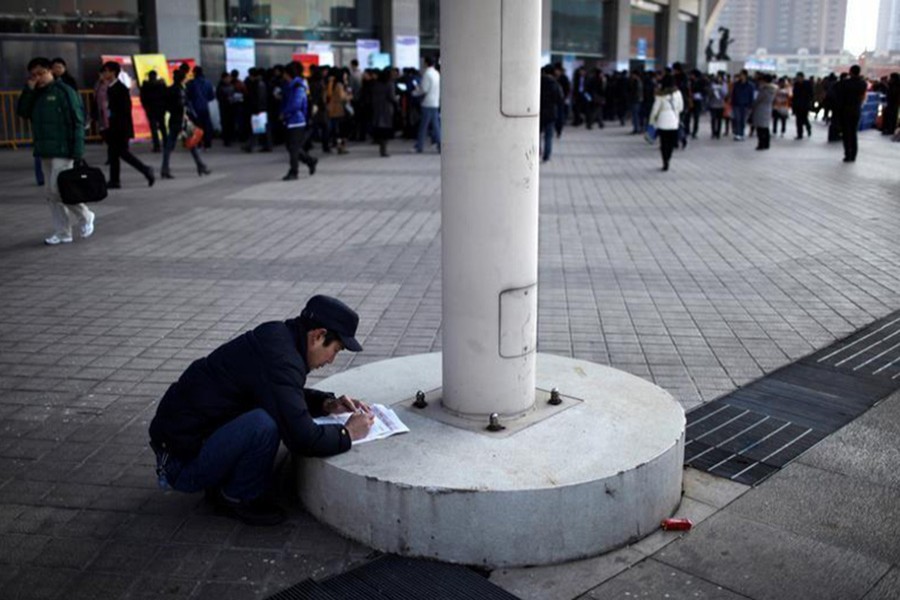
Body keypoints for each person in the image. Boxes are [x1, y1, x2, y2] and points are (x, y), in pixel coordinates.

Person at [148, 295, 374, 526]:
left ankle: (224, 481)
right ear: (318, 336)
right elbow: (303, 439)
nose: (331, 360)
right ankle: (237, 497)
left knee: (267, 415)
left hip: (184, 444)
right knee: (263, 424)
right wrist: (348, 433)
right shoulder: (282, 358)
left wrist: (326, 404)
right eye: (335, 350)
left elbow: (279, 393)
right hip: (180, 465)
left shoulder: (278, 337)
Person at [17, 57, 94, 246]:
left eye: (41, 73)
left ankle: (86, 215)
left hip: (63, 149)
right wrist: (29, 90)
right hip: (45, 149)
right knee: (50, 194)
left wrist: (77, 151)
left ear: (50, 71)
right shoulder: (36, 93)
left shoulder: (64, 91)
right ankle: (63, 233)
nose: (38, 78)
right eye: (33, 75)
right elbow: (23, 112)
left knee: (57, 190)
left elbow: (77, 121)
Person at [101, 61, 155, 189]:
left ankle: (146, 170)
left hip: (120, 128)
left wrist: (118, 127)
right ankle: (115, 180)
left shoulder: (120, 89)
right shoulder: (111, 88)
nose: (104, 74)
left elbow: (125, 110)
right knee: (114, 154)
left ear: (113, 72)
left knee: (122, 153)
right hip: (114, 127)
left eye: (106, 71)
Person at [160, 69, 210, 179]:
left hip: (173, 119)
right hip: (182, 120)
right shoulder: (181, 90)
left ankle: (165, 169)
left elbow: (166, 105)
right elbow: (182, 105)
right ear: (183, 79)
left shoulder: (169, 89)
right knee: (192, 144)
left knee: (169, 146)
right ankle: (200, 166)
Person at [280, 61, 317, 180]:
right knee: (291, 147)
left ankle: (294, 171)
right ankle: (310, 161)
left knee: (293, 148)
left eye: (284, 73)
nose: (283, 76)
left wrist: (284, 113)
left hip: (297, 120)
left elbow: (296, 105)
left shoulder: (298, 86)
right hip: (290, 120)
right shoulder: (290, 86)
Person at [648, 74, 684, 172]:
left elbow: (655, 109)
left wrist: (651, 121)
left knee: (663, 142)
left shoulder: (660, 95)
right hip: (673, 120)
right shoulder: (678, 93)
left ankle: (665, 161)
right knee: (671, 142)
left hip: (662, 121)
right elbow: (681, 107)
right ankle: (669, 157)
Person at [833, 65, 868, 162]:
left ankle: (847, 154)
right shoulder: (863, 83)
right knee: (853, 133)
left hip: (845, 110)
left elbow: (837, 92)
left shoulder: (845, 83)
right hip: (856, 110)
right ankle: (854, 154)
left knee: (846, 133)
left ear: (850, 72)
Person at [413, 56, 441, 153]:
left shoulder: (427, 74)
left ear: (425, 63)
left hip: (427, 103)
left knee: (423, 126)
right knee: (436, 126)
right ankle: (440, 145)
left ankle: (419, 146)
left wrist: (415, 91)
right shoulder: (437, 73)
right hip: (435, 102)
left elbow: (424, 89)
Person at [370, 67, 398, 157]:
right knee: (386, 130)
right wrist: (397, 99)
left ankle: (381, 147)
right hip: (386, 108)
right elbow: (392, 97)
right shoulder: (390, 84)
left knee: (379, 128)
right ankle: (384, 150)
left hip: (377, 108)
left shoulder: (376, 83)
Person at [186, 66, 215, 149]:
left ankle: (198, 143)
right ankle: (207, 143)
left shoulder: (191, 83)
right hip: (205, 107)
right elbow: (212, 97)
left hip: (194, 108)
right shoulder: (208, 83)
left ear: (194, 73)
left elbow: (187, 97)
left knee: (196, 126)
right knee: (206, 125)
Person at [140, 70, 168, 152]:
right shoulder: (161, 85)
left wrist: (146, 107)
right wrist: (165, 107)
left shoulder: (145, 86)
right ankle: (166, 144)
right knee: (162, 127)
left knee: (153, 128)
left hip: (150, 110)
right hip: (160, 109)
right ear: (156, 76)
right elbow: (166, 96)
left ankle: (157, 146)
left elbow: (142, 99)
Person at [539, 64, 563, 162]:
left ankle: (537, 152)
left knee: (537, 135)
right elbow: (560, 100)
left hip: (539, 113)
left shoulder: (538, 82)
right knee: (548, 136)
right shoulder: (555, 84)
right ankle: (546, 155)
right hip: (551, 113)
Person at [752, 74, 776, 150]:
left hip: (760, 109)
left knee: (760, 128)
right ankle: (766, 143)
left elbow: (758, 100)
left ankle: (761, 144)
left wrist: (753, 104)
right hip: (768, 109)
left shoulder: (764, 90)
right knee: (765, 127)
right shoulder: (773, 89)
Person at [730, 70, 754, 141]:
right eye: (740, 75)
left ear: (745, 75)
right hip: (736, 104)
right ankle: (737, 133)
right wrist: (732, 103)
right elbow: (733, 94)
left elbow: (751, 96)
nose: (741, 76)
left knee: (743, 120)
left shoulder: (750, 85)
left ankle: (741, 133)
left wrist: (751, 105)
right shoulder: (736, 84)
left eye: (742, 75)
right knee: (737, 119)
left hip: (746, 105)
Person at [792, 72, 814, 139]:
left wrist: (809, 103)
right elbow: (794, 95)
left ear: (802, 77)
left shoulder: (807, 84)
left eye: (799, 77)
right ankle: (799, 134)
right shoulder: (796, 84)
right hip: (798, 105)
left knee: (804, 119)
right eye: (797, 78)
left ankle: (808, 127)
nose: (798, 79)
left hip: (805, 105)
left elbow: (811, 94)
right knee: (798, 120)